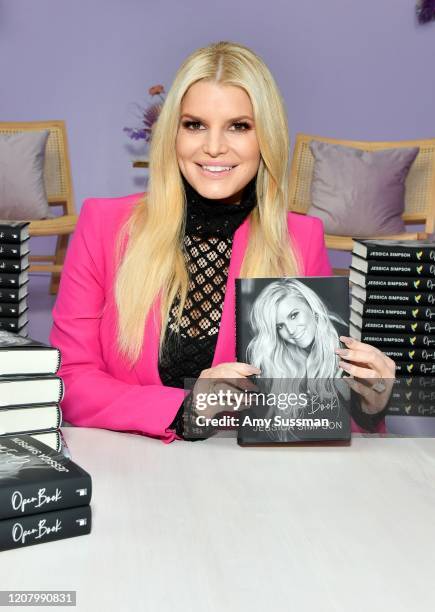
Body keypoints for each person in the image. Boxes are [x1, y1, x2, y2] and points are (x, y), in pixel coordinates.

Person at [49, 40, 395, 443]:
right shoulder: (104, 225)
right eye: (194, 124)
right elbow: (69, 380)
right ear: (172, 134)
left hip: (249, 485)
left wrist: (368, 406)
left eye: (239, 126)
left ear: (266, 137)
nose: (213, 146)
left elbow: (313, 409)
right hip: (132, 468)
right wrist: (185, 408)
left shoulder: (300, 239)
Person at [247, 279, 347, 379]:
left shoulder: (346, 344)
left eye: (293, 315)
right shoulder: (283, 358)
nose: (290, 330)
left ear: (311, 306)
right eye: (280, 326)